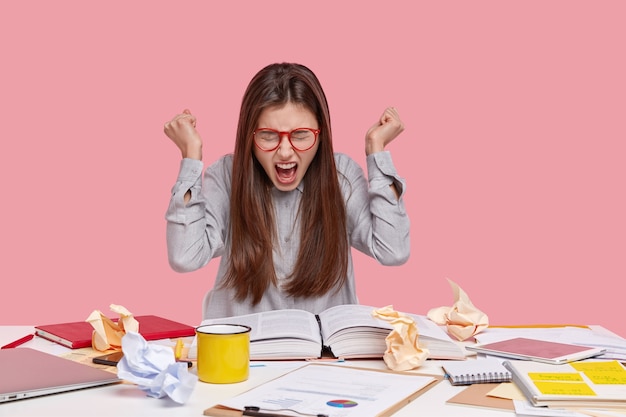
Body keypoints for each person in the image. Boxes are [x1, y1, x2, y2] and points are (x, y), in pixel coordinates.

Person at [163, 62, 410, 319]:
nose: (284, 151)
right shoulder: (227, 175)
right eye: (268, 135)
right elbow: (185, 257)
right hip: (241, 353)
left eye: (301, 135)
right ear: (250, 136)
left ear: (321, 135)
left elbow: (392, 250)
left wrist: (376, 149)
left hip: (324, 356)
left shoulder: (341, 176)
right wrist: (191, 156)